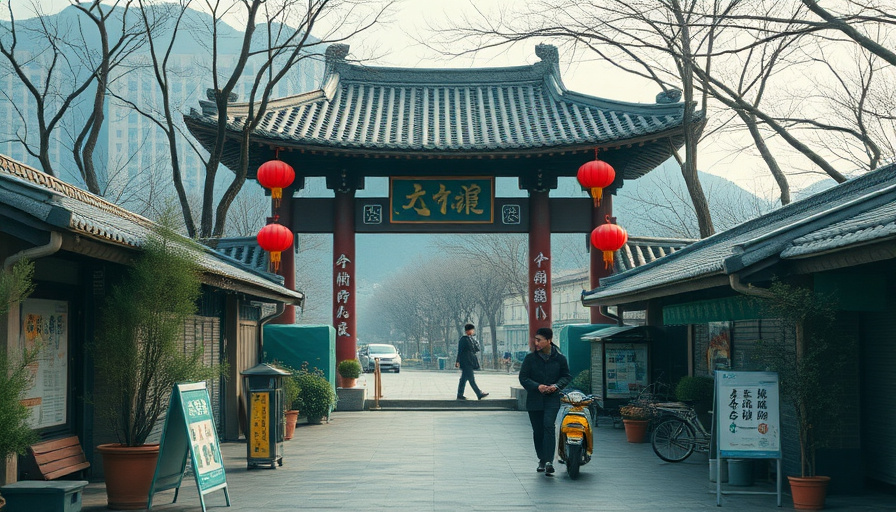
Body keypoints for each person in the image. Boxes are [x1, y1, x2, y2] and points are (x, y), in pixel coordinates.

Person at [518, 327, 571, 475]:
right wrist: (538, 386)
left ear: (549, 340)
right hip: (535, 399)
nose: (536, 343)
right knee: (538, 431)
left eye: (539, 340)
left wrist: (556, 386)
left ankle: (548, 461)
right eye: (535, 340)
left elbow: (566, 376)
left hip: (552, 399)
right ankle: (541, 458)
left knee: (549, 426)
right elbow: (523, 378)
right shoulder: (530, 359)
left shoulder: (560, 358)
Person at [455, 323, 488, 400]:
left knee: (463, 379)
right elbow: (460, 351)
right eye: (472, 330)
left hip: (470, 361)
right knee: (471, 379)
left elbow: (477, 349)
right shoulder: (463, 339)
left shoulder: (471, 339)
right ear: (468, 330)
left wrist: (475, 340)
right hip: (466, 362)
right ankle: (479, 393)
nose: (473, 331)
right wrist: (457, 361)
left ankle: (460, 394)